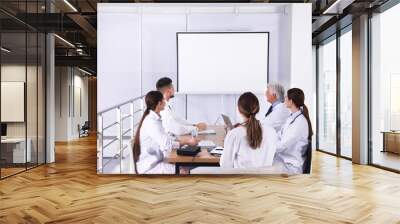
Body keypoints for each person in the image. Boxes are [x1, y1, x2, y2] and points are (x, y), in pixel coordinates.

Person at [132, 91, 199, 174]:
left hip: (156, 160)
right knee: (183, 170)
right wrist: (187, 142)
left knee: (185, 165)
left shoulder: (154, 118)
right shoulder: (151, 122)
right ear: (159, 103)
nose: (165, 102)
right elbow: (166, 144)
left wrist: (179, 139)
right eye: (163, 100)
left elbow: (165, 137)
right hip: (150, 167)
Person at [220, 92, 278, 169]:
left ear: (239, 110)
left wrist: (228, 142)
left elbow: (225, 166)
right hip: (265, 180)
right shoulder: (271, 131)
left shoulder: (234, 134)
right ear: (257, 109)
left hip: (242, 180)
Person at [272, 88, 313, 174]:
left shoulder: (300, 122)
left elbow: (283, 145)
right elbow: (279, 135)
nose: (284, 99)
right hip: (284, 160)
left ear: (291, 101)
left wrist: (268, 147)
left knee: (263, 167)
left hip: (292, 166)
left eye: (286, 97)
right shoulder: (291, 118)